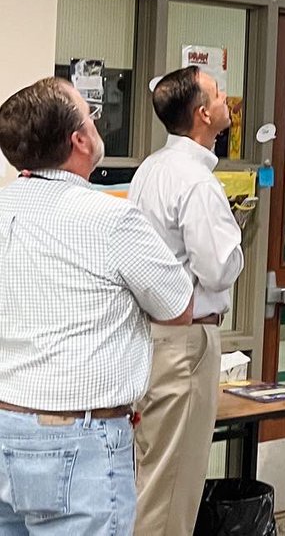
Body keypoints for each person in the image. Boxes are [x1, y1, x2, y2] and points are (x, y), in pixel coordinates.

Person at [0, 78, 193, 535]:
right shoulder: (112, 219)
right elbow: (178, 307)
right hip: (78, 442)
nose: (97, 123)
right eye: (92, 115)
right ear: (79, 140)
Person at [129, 67, 244, 536]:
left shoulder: (150, 169)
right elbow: (218, 269)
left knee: (150, 477)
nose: (225, 98)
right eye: (217, 93)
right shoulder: (197, 182)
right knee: (173, 488)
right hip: (186, 343)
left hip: (150, 337)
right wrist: (234, 233)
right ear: (203, 114)